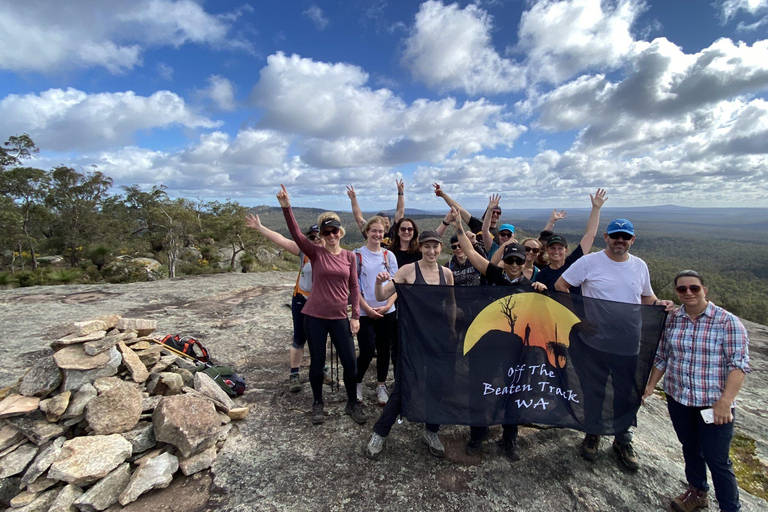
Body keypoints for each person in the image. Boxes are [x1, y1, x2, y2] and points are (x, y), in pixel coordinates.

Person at [555, 218, 674, 471]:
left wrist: (659, 304)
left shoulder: (639, 266)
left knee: (625, 393)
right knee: (594, 390)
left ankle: (622, 438)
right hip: (593, 343)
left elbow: (645, 296)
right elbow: (560, 285)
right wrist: (576, 320)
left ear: (632, 240)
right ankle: (593, 432)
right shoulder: (589, 262)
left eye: (625, 236)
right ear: (606, 237)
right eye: (615, 235)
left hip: (629, 342)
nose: (620, 240)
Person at [642, 270, 750, 512]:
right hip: (679, 397)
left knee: (717, 459)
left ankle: (730, 508)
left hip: (713, 403)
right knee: (689, 447)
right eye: (682, 289)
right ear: (676, 292)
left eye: (694, 288)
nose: (688, 293)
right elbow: (662, 357)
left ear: (704, 290)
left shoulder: (727, 322)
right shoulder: (672, 319)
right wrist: (651, 385)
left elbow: (739, 365)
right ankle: (697, 492)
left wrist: (726, 401)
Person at [450, 208, 547, 461]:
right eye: (510, 261)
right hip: (485, 345)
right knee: (478, 388)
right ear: (503, 261)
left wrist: (543, 291)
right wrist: (458, 225)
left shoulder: (530, 287)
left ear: (524, 263)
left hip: (515, 349)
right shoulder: (493, 274)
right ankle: (477, 434)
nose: (514, 265)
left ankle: (510, 436)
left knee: (514, 390)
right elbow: (470, 252)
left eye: (519, 261)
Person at [276, 185, 367, 426]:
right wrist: (287, 207)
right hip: (314, 316)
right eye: (326, 232)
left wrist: (355, 315)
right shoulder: (315, 253)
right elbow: (296, 234)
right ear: (323, 235)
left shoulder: (349, 257)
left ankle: (352, 403)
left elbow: (354, 288)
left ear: (341, 232)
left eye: (334, 231)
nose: (331, 235)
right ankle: (318, 403)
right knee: (316, 364)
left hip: (339, 317)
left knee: (350, 363)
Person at [365, 230, 455, 460]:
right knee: (404, 387)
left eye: (435, 247)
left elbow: (451, 305)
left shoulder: (447, 274)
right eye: (427, 246)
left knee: (437, 386)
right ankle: (379, 433)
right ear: (420, 247)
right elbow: (383, 294)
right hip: (411, 338)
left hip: (438, 338)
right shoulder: (408, 271)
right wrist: (378, 282)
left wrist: (452, 331)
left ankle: (431, 432)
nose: (431, 251)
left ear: (441, 247)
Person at [245, 214, 323, 393]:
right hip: (302, 298)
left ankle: (321, 368)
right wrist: (260, 227)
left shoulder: (333, 253)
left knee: (320, 337)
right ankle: (294, 373)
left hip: (322, 301)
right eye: (312, 237)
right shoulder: (303, 251)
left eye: (320, 236)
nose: (317, 240)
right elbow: (281, 240)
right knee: (299, 337)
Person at [354, 216, 399, 406]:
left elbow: (397, 284)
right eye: (374, 231)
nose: (378, 235)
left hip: (387, 310)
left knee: (383, 350)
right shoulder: (356, 255)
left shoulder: (389, 256)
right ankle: (356, 382)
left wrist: (388, 305)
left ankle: (381, 385)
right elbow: (353, 286)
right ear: (366, 231)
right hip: (365, 311)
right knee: (366, 350)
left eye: (381, 231)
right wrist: (366, 308)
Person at [535, 189, 607, 292]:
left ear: (566, 250)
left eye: (560, 248)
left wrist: (596, 208)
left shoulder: (573, 262)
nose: (556, 252)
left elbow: (590, 235)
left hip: (577, 308)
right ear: (546, 250)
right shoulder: (541, 275)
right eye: (552, 248)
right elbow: (534, 243)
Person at [433, 183, 502, 243]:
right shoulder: (477, 225)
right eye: (493, 212)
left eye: (498, 213)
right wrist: (442, 194)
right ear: (488, 212)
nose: (495, 214)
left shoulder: (500, 234)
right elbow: (459, 208)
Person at [347, 180, 405, 245]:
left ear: (390, 223)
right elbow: (359, 218)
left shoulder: (394, 232)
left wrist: (400, 192)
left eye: (385, 222)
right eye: (380, 221)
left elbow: (400, 211)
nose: (383, 225)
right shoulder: (370, 233)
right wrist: (353, 199)